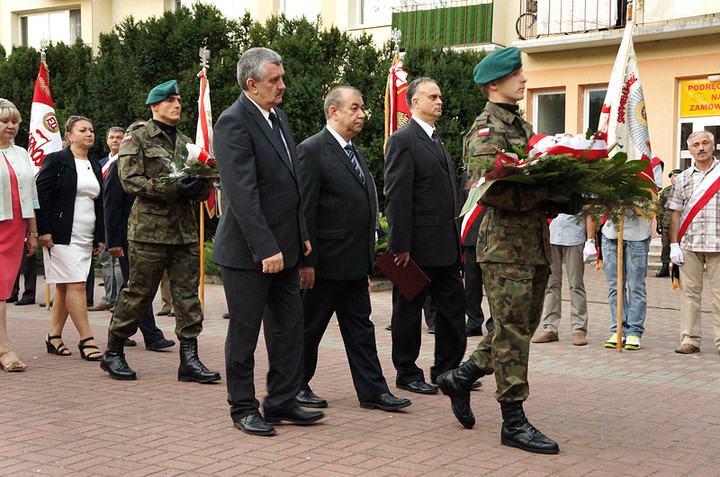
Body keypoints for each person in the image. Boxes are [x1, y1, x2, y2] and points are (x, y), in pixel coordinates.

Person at [437, 47, 583, 454]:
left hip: (532, 244)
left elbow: (531, 178)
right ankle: (513, 421)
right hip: (504, 249)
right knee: (514, 333)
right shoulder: (486, 130)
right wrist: (546, 193)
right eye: (516, 74)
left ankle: (460, 377)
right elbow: (494, 191)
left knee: (516, 330)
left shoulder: (521, 126)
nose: (523, 79)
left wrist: (561, 197)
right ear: (494, 84)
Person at [213, 47, 324, 436]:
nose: (282, 86)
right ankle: (243, 408)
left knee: (289, 330)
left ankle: (281, 401)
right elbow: (242, 195)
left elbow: (291, 185)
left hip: (287, 249)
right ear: (251, 84)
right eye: (274, 80)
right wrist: (266, 248)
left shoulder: (278, 118)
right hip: (249, 254)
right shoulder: (233, 122)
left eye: (281, 77)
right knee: (244, 334)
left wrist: (302, 237)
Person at [296, 85, 412, 412]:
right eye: (354, 108)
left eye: (362, 108)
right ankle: (294, 386)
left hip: (353, 264)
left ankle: (374, 391)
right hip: (324, 265)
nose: (361, 114)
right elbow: (304, 211)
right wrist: (307, 261)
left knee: (361, 330)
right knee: (307, 329)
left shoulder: (354, 151)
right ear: (333, 112)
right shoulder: (312, 150)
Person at [101, 80, 219, 383]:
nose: (177, 105)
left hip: (183, 232)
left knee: (188, 296)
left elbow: (197, 177)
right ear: (155, 106)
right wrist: (170, 186)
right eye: (170, 101)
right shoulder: (136, 138)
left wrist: (199, 186)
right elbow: (129, 180)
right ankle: (113, 351)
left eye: (179, 100)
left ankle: (189, 360)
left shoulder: (185, 143)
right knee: (139, 294)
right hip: (149, 232)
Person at [384, 77, 467, 395]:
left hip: (445, 247)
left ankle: (447, 370)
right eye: (432, 96)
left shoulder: (436, 139)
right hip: (415, 248)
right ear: (413, 102)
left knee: (452, 310)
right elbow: (397, 195)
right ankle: (407, 372)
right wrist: (400, 244)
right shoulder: (403, 140)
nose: (439, 101)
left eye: (440, 96)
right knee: (407, 312)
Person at [36, 115, 104, 361]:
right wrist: (43, 230)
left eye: (92, 130)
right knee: (76, 284)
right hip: (61, 234)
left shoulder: (95, 164)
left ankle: (53, 337)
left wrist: (100, 235)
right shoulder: (56, 161)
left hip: (86, 235)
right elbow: (42, 197)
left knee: (65, 287)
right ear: (69, 135)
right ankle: (87, 340)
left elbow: (100, 204)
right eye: (83, 130)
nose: (89, 134)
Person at [103, 121, 175, 352]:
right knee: (138, 287)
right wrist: (113, 242)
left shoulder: (155, 168)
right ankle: (150, 335)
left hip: (149, 235)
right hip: (127, 238)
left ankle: (119, 330)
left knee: (133, 287)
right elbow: (111, 207)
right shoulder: (119, 166)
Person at [666, 131, 720, 354]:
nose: (701, 148)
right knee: (689, 295)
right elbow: (675, 213)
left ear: (713, 145)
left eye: (705, 143)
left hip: (718, 244)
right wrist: (673, 244)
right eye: (696, 144)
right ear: (690, 150)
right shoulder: (683, 178)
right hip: (689, 244)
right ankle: (690, 339)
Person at [0, 98, 38, 372]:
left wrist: (33, 232)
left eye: (14, 121)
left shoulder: (22, 153)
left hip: (15, 229)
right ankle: (4, 348)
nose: (11, 126)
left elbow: (31, 196)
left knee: (3, 290)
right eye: (4, 121)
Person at [532, 213, 596, 346]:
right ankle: (550, 328)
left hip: (574, 237)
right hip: (552, 236)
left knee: (576, 285)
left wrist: (590, 240)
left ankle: (579, 330)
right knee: (551, 285)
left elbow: (590, 212)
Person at [88, 127, 126, 312]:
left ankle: (120, 298)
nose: (115, 140)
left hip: (119, 218)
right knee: (105, 261)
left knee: (119, 262)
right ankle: (108, 298)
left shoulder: (127, 162)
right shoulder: (100, 163)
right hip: (101, 217)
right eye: (112, 137)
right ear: (106, 140)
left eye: (119, 137)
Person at [655, 169, 682, 277]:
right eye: (673, 176)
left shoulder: (685, 189)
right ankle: (665, 267)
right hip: (667, 223)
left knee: (680, 246)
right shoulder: (666, 191)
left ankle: (679, 270)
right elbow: (660, 208)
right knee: (666, 246)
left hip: (681, 223)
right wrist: (659, 222)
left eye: (677, 175)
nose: (674, 178)